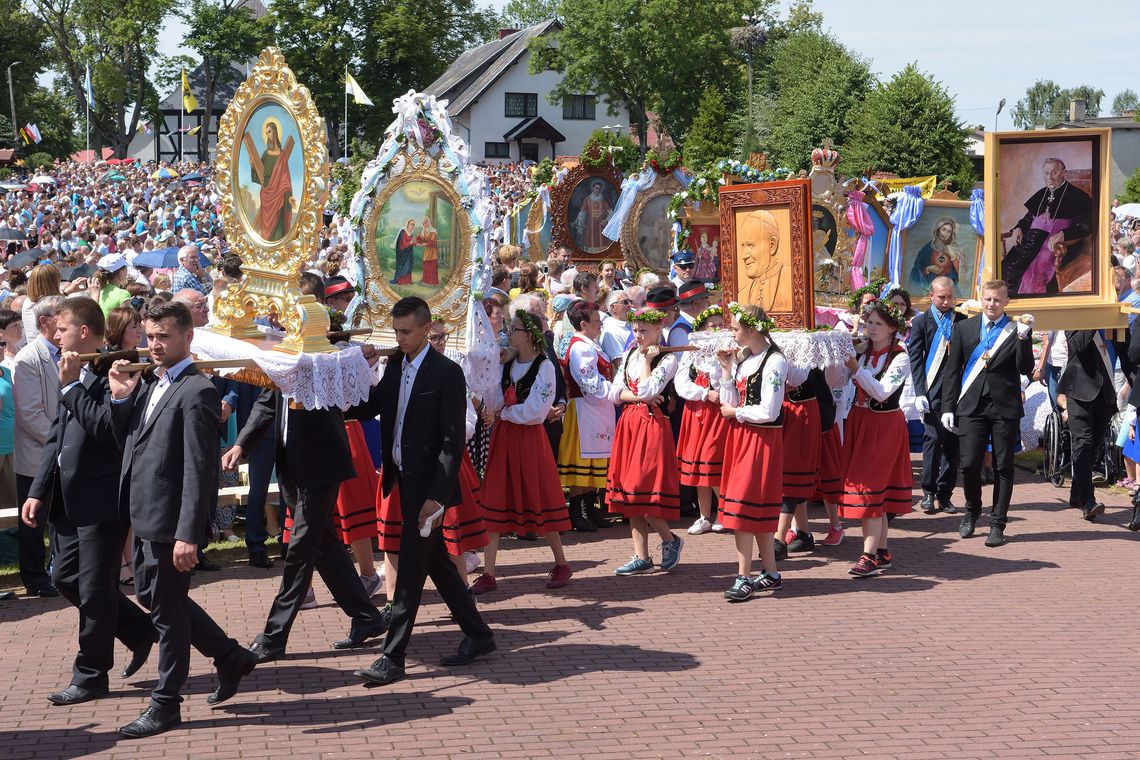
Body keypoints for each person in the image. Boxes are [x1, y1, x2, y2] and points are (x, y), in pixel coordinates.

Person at [107, 301, 257, 738]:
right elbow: (130, 444)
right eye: (150, 336)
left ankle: (166, 703)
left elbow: (200, 468)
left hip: (171, 522)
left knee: (168, 616)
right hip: (142, 515)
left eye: (164, 337)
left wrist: (189, 533)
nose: (154, 345)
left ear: (187, 337)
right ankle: (231, 657)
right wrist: (120, 400)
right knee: (156, 599)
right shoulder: (149, 383)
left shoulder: (198, 390)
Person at [352, 297, 494, 686]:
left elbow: (452, 442)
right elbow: (369, 407)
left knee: (411, 570)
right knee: (436, 565)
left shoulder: (447, 373)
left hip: (429, 488)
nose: (399, 339)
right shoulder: (395, 365)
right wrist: (345, 376)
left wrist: (437, 497)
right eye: (396, 331)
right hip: (401, 480)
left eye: (407, 331)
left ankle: (392, 656)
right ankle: (479, 634)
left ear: (427, 329)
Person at [21, 297, 155, 706]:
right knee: (64, 577)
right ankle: (138, 629)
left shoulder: (113, 371)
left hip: (102, 499)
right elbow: (56, 438)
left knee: (96, 590)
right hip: (68, 499)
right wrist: (37, 490)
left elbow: (104, 428)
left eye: (60, 329)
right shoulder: (71, 372)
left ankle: (92, 674)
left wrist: (71, 386)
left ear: (82, 332)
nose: (54, 336)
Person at [223, 379, 389, 662]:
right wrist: (241, 444)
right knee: (324, 547)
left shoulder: (319, 359)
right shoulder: (283, 361)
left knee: (299, 551)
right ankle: (367, 617)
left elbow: (352, 394)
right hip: (291, 467)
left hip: (322, 468)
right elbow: (266, 403)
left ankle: (273, 637)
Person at [473, 306, 573, 592]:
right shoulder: (507, 363)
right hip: (504, 438)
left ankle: (561, 563)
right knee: (494, 497)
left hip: (530, 439)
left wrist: (504, 413)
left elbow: (537, 412)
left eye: (514, 329)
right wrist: (493, 410)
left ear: (528, 335)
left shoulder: (544, 366)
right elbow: (493, 398)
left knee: (539, 497)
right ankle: (489, 573)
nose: (508, 333)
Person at [941, 281, 1035, 547]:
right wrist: (948, 407)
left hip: (1004, 406)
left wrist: (1024, 338)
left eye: (997, 300)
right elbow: (952, 371)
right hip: (972, 405)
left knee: (1003, 466)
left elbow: (1024, 367)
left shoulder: (1016, 329)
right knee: (970, 463)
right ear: (980, 300)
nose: (992, 304)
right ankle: (972, 510)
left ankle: (997, 523)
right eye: (988, 299)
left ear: (1006, 302)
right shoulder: (964, 328)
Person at [606, 307, 685, 575]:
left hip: (650, 425)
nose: (638, 335)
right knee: (629, 492)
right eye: (636, 330)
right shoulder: (629, 354)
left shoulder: (667, 359)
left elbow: (647, 389)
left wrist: (648, 364)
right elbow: (614, 392)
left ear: (657, 331)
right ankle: (641, 555)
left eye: (644, 331)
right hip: (629, 423)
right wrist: (636, 395)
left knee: (640, 486)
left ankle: (670, 539)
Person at [839, 301, 915, 577]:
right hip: (860, 423)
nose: (871, 328)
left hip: (884, 427)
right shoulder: (863, 353)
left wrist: (855, 368)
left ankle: (868, 555)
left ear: (892, 328)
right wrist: (839, 357)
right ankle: (881, 552)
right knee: (873, 490)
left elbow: (882, 392)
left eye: (878, 324)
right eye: (869, 322)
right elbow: (836, 382)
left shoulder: (900, 357)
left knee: (870, 490)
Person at [716, 303, 785, 600]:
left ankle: (743, 576)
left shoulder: (775, 361)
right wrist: (727, 371)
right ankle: (770, 572)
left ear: (751, 329)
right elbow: (727, 401)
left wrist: (737, 413)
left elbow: (770, 410)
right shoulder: (746, 359)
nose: (731, 334)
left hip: (761, 439)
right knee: (751, 508)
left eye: (734, 328)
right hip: (742, 437)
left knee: (744, 509)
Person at [13, 295, 64, 597]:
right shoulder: (28, 358)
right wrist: (65, 441)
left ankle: (60, 569)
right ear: (45, 322)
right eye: (62, 315)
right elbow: (31, 415)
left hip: (66, 455)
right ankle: (34, 577)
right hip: (38, 456)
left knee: (63, 518)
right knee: (33, 521)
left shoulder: (71, 354)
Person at [907, 276, 965, 515]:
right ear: (931, 296)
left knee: (953, 443)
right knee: (932, 439)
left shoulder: (961, 321)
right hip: (931, 391)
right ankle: (928, 492)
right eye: (942, 297)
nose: (946, 301)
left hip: (957, 392)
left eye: (950, 297)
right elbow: (915, 358)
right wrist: (920, 391)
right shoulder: (921, 322)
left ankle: (946, 493)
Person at [557, 301, 616, 532]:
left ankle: (591, 510)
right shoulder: (581, 348)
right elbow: (589, 382)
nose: (600, 323)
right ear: (583, 324)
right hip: (585, 409)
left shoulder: (590, 344)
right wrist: (614, 392)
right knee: (583, 460)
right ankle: (578, 512)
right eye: (596, 320)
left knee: (595, 459)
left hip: (596, 409)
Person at [1001, 158, 1093, 296]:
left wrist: (1064, 234)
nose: (1049, 177)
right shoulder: (1042, 193)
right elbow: (1028, 218)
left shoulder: (1078, 197)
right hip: (1032, 241)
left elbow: (1085, 226)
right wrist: (1019, 228)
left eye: (1054, 172)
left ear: (1064, 173)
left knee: (1035, 270)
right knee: (1007, 265)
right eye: (1046, 173)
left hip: (1056, 245)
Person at [676, 305, 729, 534]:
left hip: (717, 413)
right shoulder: (692, 350)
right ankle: (704, 515)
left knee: (712, 461)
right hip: (696, 411)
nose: (716, 328)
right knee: (699, 466)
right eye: (712, 324)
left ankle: (726, 512)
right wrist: (703, 393)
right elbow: (680, 382)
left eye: (720, 324)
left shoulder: (728, 350)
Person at [1057, 330, 1117, 521]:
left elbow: (1127, 354)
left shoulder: (1115, 319)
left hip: (1105, 394)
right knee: (1082, 444)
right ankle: (1088, 501)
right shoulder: (1078, 316)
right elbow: (1078, 344)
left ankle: (1077, 492)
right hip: (1079, 391)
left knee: (1094, 449)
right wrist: (1096, 318)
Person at [246, 119, 294, 241]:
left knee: (278, 229)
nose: (269, 134)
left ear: (276, 132)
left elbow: (285, 179)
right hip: (267, 196)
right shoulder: (265, 154)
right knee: (266, 229)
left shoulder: (282, 155)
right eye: (266, 132)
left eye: (270, 131)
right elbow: (260, 177)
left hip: (280, 197)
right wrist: (253, 167)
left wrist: (288, 196)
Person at [738, 210, 790, 312]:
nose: (744, 256)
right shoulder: (741, 296)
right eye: (743, 246)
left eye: (750, 245)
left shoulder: (793, 282)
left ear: (772, 245)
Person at [908, 217, 965, 290]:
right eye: (943, 229)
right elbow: (916, 270)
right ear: (937, 230)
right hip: (929, 288)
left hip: (948, 288)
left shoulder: (955, 250)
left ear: (951, 235)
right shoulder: (927, 249)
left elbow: (961, 274)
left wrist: (952, 255)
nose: (945, 233)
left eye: (949, 231)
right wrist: (928, 269)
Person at [573, 181, 612, 253]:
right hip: (590, 226)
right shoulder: (587, 200)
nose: (598, 190)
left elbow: (610, 212)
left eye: (599, 188)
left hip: (601, 226)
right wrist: (579, 218)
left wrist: (606, 221)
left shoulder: (603, 200)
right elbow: (583, 212)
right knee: (590, 241)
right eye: (596, 188)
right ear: (593, 188)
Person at [600, 289, 634, 362]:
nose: (630, 305)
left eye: (630, 301)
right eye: (625, 302)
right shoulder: (610, 332)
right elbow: (619, 363)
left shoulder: (633, 323)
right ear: (613, 307)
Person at [390, 219, 417, 285]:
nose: (413, 226)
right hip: (403, 254)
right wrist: (410, 243)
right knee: (405, 266)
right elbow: (402, 243)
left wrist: (415, 243)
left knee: (409, 266)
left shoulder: (411, 233)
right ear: (407, 224)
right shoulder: (403, 232)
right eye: (411, 224)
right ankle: (401, 281)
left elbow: (411, 243)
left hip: (409, 253)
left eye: (414, 224)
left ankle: (407, 281)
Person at [416, 216, 439, 286]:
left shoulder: (433, 231)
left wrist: (425, 244)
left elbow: (433, 242)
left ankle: (432, 282)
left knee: (432, 266)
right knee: (426, 265)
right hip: (426, 251)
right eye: (423, 223)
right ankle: (426, 281)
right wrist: (418, 237)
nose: (424, 225)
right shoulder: (423, 231)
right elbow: (421, 240)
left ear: (428, 222)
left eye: (425, 223)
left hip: (432, 252)